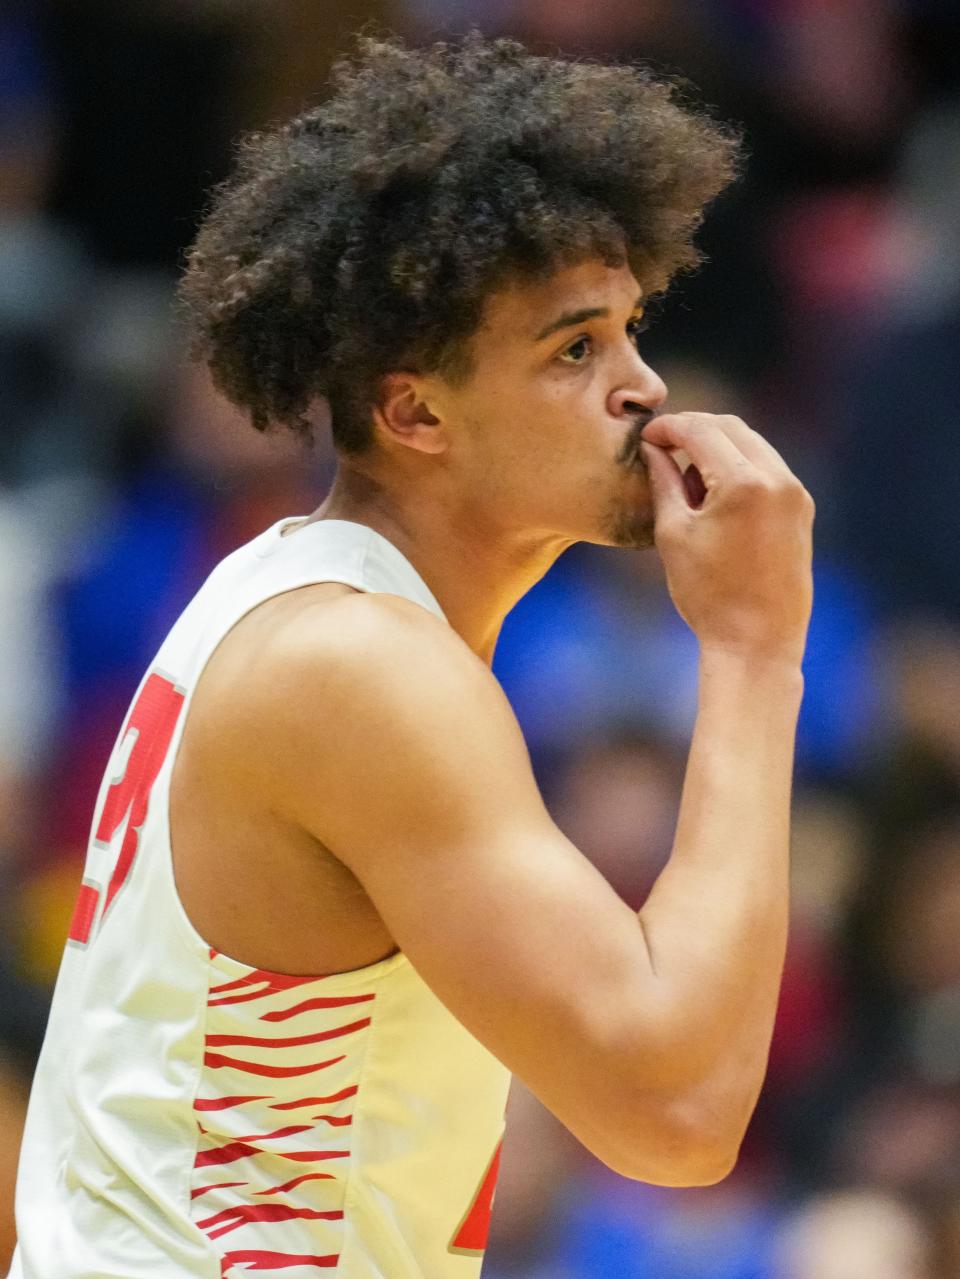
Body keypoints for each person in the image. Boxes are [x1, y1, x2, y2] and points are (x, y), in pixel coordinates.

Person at [9, 32, 814, 1279]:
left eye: (630, 327)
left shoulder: (295, 595)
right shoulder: (360, 668)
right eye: (573, 349)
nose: (643, 387)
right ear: (415, 413)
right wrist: (757, 652)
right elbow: (679, 1112)